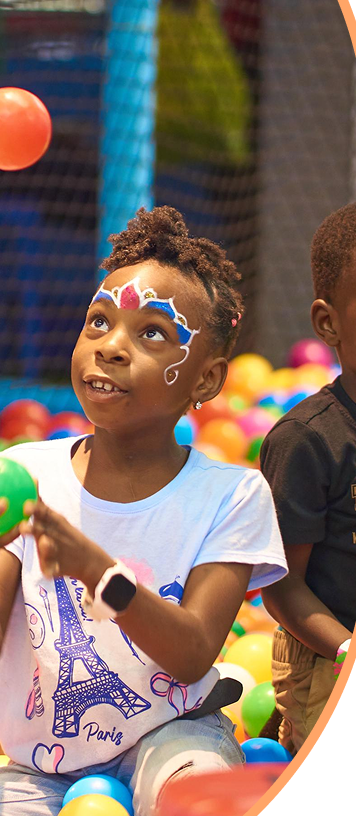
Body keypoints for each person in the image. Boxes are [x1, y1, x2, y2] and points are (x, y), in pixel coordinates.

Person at [0, 206, 287, 816]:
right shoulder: (26, 476)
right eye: (99, 322)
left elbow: (190, 654)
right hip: (42, 770)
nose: (111, 347)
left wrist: (97, 571)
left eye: (152, 333)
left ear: (205, 381)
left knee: (197, 797)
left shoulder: (231, 496)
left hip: (174, 739)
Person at [259, 202, 356, 755]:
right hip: (327, 657)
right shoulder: (309, 440)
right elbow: (280, 584)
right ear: (328, 323)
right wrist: (345, 650)